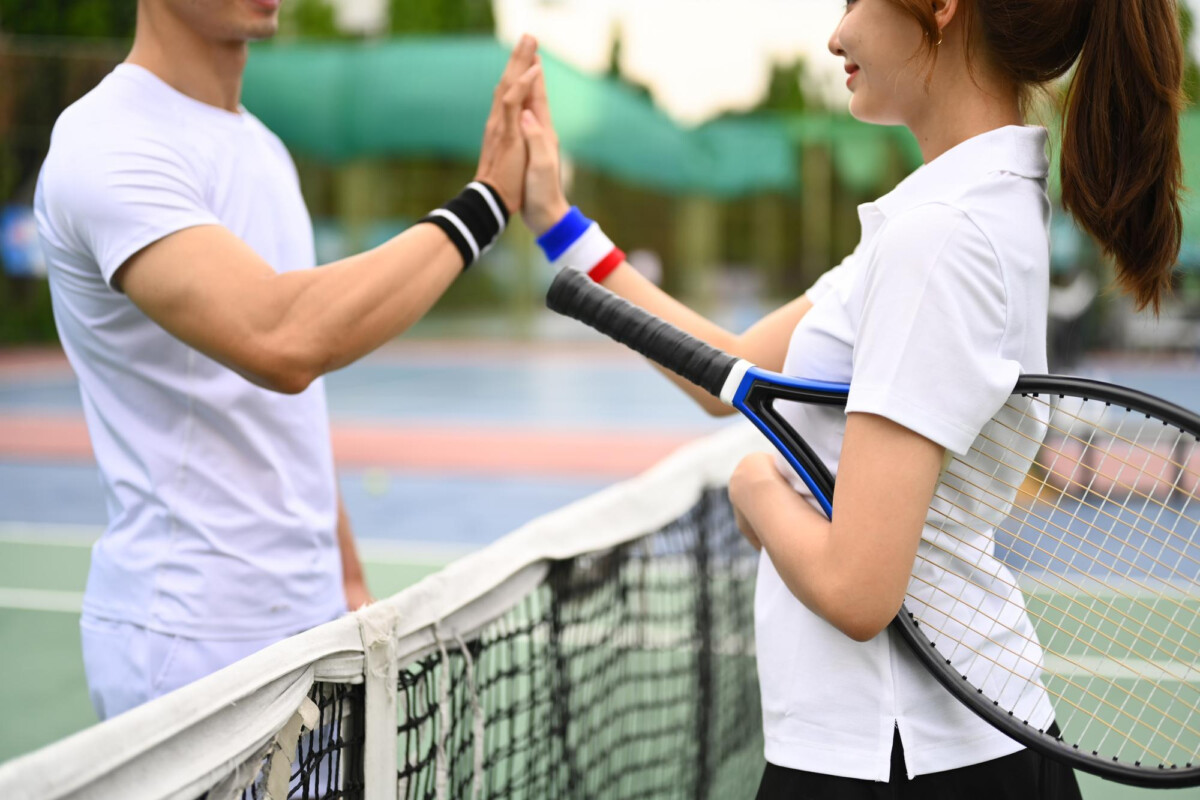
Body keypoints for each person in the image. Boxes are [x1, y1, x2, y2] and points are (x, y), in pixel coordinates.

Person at [516, 0, 1185, 796]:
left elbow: (859, 587)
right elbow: (725, 371)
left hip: (904, 756)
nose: (836, 34)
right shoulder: (946, 216)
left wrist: (753, 488)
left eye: (852, 1)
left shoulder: (938, 237)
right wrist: (558, 222)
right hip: (910, 749)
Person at [34, 0, 542, 721]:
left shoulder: (264, 150)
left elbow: (288, 412)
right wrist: (485, 204)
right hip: (187, 646)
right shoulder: (104, 141)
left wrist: (349, 584)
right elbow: (281, 337)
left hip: (308, 632)